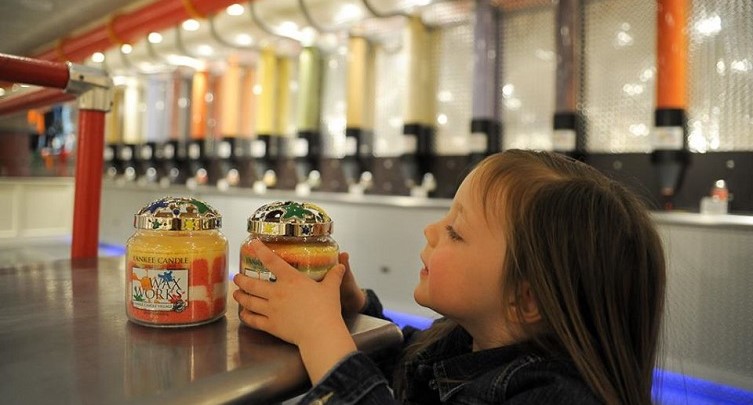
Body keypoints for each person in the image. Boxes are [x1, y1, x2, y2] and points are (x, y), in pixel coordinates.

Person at [233, 149, 666, 405]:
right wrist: (356, 309)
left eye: (456, 231)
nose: (431, 230)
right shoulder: (463, 340)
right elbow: (406, 365)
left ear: (527, 299)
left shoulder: (553, 397)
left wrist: (320, 335)